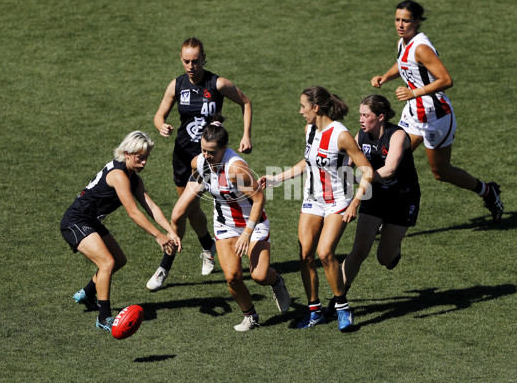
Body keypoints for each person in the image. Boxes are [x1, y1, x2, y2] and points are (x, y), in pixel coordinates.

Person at [370, 0, 503, 223]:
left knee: (441, 172)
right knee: (390, 161)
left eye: (406, 20)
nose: (400, 24)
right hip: (412, 116)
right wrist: (385, 76)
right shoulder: (403, 42)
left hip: (435, 117)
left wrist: (414, 93)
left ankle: (488, 191)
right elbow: (403, 63)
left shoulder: (421, 48)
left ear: (417, 21)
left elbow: (446, 80)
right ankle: (387, 214)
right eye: (397, 19)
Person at [260, 86, 373, 332]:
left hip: (338, 201)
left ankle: (342, 307)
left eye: (303, 106)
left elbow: (367, 170)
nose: (301, 111)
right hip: (313, 199)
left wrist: (356, 202)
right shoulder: (310, 130)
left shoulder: (340, 135)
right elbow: (307, 160)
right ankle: (315, 311)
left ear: (316, 107)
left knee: (325, 253)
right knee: (306, 255)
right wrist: (276, 179)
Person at [147, 37, 253, 290]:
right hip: (183, 158)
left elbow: (246, 102)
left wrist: (246, 134)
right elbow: (159, 114)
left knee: (179, 214)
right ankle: (208, 247)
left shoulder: (218, 84)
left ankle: (164, 268)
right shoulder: (177, 85)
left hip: (209, 161)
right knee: (192, 211)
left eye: (195, 61)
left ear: (204, 59)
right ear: (180, 59)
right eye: (186, 61)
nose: (191, 66)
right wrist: (161, 125)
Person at [170, 115, 291, 331]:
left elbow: (259, 199)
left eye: (211, 152)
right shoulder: (199, 162)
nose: (206, 156)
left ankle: (276, 282)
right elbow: (197, 179)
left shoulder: (235, 169)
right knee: (232, 278)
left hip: (252, 223)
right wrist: (177, 217)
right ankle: (251, 316)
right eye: (203, 150)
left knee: (259, 275)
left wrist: (246, 233)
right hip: (225, 225)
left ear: (224, 148)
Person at [60, 131, 181, 332]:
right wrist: (157, 235)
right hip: (75, 221)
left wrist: (170, 231)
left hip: (90, 221)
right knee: (107, 263)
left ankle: (89, 293)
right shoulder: (118, 175)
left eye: (146, 158)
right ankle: (104, 317)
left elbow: (150, 206)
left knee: (119, 260)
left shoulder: (133, 178)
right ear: (126, 153)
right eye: (139, 157)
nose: (143, 162)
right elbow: (133, 212)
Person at [326, 95, 420, 315]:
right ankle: (338, 298)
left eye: (366, 115)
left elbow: (390, 169)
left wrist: (363, 178)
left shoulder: (397, 135)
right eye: (360, 114)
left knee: (384, 258)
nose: (361, 119)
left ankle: (394, 253)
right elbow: (348, 164)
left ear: (381, 116)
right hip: (375, 196)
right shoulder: (361, 136)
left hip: (402, 198)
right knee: (359, 250)